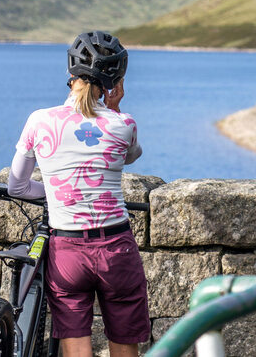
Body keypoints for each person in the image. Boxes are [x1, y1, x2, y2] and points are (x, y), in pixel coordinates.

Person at [8, 30, 150, 357]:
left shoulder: (39, 121)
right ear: (113, 82)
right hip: (116, 248)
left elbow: (17, 186)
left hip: (67, 250)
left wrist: (57, 193)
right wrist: (113, 109)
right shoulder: (123, 123)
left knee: (75, 346)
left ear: (71, 72)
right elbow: (129, 155)